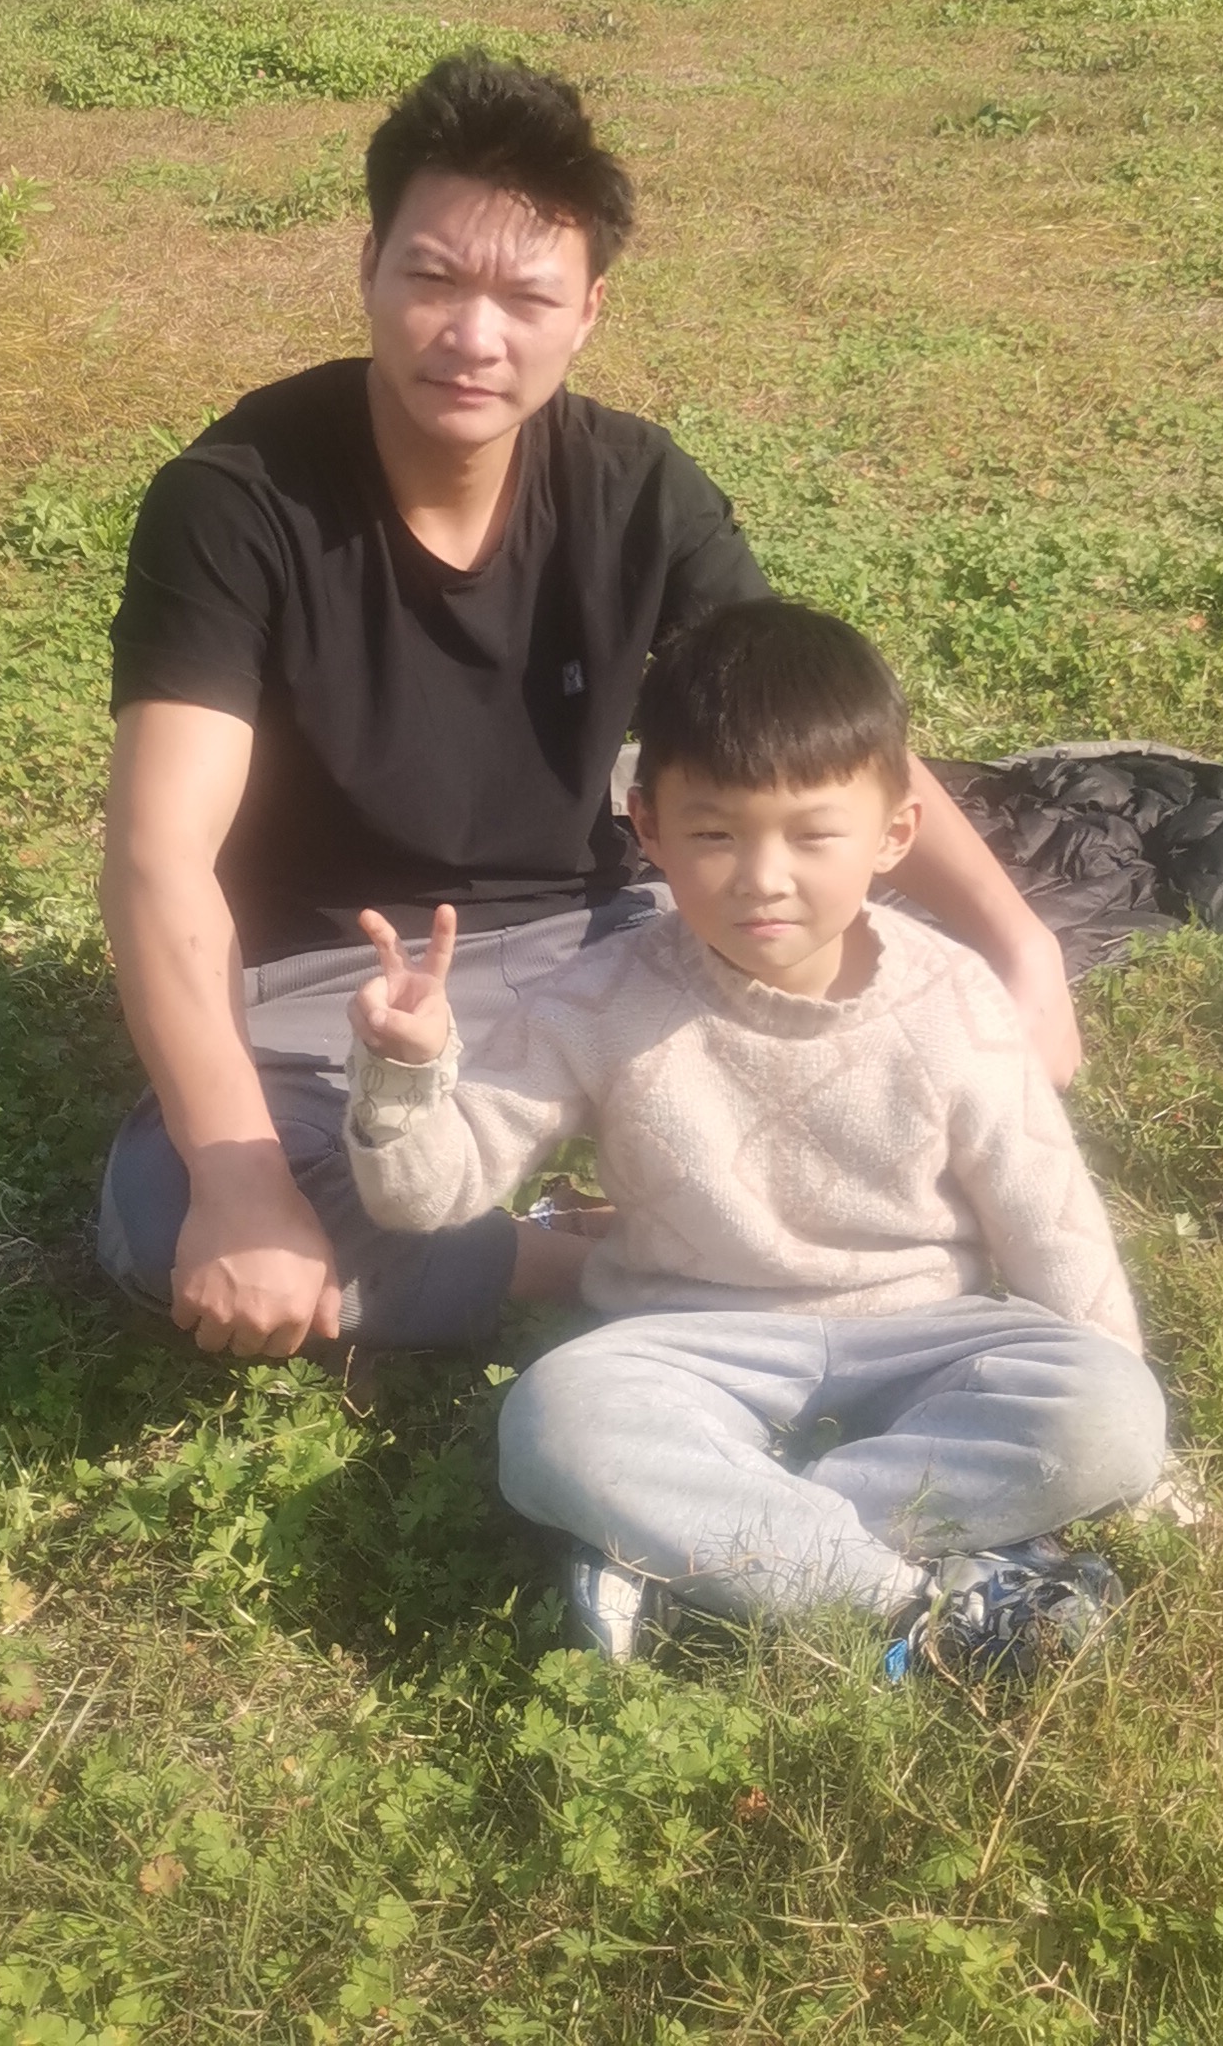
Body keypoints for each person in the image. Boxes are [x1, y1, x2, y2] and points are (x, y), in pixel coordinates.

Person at [93, 53, 1093, 1364]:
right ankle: (608, 1261)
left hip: (602, 941)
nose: (474, 337)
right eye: (433, 279)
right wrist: (237, 1182)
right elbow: (157, 857)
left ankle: (689, 1240)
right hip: (335, 981)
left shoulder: (636, 488)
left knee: (889, 1039)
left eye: (526, 296)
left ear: (588, 312)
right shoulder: (237, 501)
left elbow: (813, 744)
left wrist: (1020, 943)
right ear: (371, 267)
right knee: (164, 1220)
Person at [341, 599, 1168, 1670]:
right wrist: (406, 1073)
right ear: (647, 827)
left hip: (928, 1337)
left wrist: (1122, 1410)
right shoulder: (595, 1000)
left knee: (1108, 1409)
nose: (763, 877)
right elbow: (427, 1199)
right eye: (715, 833)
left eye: (814, 834)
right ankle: (910, 1596)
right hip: (689, 1341)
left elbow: (1044, 1212)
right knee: (555, 1422)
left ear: (894, 833)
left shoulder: (954, 998)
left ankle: (711, 1547)